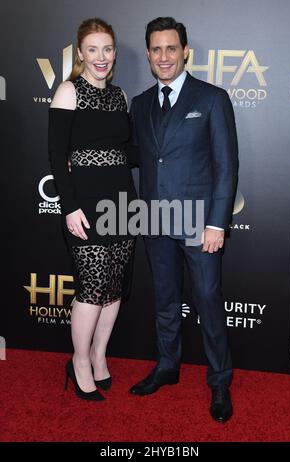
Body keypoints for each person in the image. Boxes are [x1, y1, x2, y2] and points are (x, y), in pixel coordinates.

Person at [128, 17, 238, 422]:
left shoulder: (211, 98)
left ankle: (220, 381)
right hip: (154, 219)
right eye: (156, 49)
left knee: (208, 300)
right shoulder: (140, 103)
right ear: (149, 55)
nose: (163, 56)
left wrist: (216, 223)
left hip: (198, 223)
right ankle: (167, 365)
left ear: (185, 51)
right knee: (165, 300)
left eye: (170, 48)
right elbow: (137, 155)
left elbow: (227, 166)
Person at [48, 18, 136, 401]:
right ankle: (79, 360)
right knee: (92, 287)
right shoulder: (69, 91)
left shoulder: (120, 97)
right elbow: (55, 154)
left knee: (114, 287)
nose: (102, 57)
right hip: (84, 203)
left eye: (108, 48)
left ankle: (100, 355)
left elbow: (129, 151)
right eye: (94, 49)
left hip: (122, 200)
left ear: (114, 53)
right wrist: (70, 208)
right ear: (81, 53)